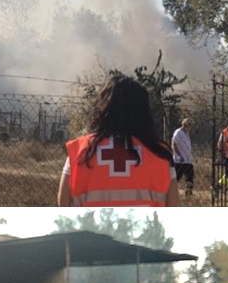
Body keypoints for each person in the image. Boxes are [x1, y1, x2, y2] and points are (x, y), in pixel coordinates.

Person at [58, 73, 179, 207]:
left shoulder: (81, 150)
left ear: (103, 107)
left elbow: (63, 203)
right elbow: (173, 207)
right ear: (143, 111)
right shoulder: (160, 154)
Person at [171, 117, 195, 196]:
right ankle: (171, 191)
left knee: (190, 176)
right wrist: (178, 155)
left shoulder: (186, 133)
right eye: (189, 125)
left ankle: (188, 191)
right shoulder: (178, 132)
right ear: (186, 125)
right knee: (177, 177)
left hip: (188, 159)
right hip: (180, 160)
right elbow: (174, 144)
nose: (190, 127)